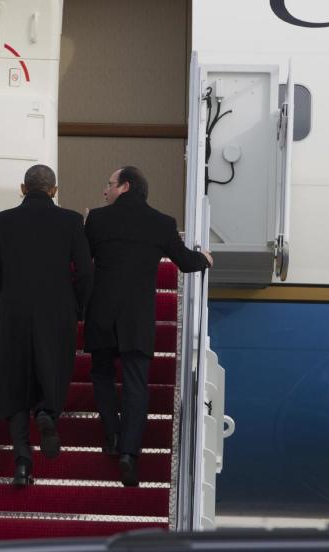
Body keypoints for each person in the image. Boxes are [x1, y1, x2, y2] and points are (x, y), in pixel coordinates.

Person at [85, 165, 212, 486]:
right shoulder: (162, 223)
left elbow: (80, 259)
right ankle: (129, 452)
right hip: (137, 317)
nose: (105, 191)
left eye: (109, 184)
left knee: (101, 374)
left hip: (102, 312)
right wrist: (205, 260)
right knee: (136, 384)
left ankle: (112, 435)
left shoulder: (97, 220)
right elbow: (185, 262)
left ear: (125, 186)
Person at [0, 164, 93, 486]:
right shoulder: (71, 221)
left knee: (15, 382)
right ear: (54, 191)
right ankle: (46, 413)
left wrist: (12, 294)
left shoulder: (2, 221)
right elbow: (85, 272)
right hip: (57, 311)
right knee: (53, 366)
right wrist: (76, 305)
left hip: (14, 311)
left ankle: (22, 463)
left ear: (22, 188)